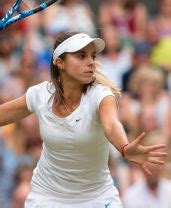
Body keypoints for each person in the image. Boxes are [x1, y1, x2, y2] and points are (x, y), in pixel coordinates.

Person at [0, 32, 167, 207]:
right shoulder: (39, 94)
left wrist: (124, 147)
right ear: (60, 62)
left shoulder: (101, 95)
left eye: (92, 56)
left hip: (97, 197)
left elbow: (111, 125)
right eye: (81, 56)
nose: (91, 62)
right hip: (48, 196)